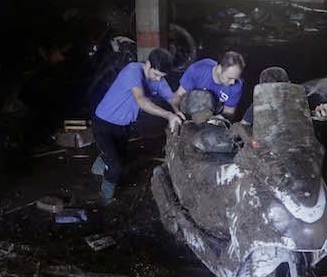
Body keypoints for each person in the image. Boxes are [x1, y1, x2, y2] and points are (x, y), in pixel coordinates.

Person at [92, 49, 184, 205]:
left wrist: (177, 111)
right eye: (155, 74)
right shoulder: (132, 71)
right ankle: (104, 200)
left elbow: (172, 98)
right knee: (116, 167)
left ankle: (96, 170)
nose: (157, 79)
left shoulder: (158, 79)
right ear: (148, 64)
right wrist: (168, 115)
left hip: (124, 126)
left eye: (161, 77)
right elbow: (141, 100)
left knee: (115, 157)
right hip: (104, 123)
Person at [241, 66, 327, 126]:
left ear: (289, 85)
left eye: (280, 91)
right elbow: (243, 126)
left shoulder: (305, 96)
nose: (275, 97)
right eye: (269, 93)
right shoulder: (258, 105)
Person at [170, 51, 246, 120]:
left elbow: (229, 112)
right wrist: (177, 111)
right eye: (230, 78)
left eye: (235, 79)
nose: (232, 82)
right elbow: (178, 95)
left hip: (214, 118)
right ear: (219, 69)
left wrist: (220, 118)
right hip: (189, 113)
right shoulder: (198, 70)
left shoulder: (237, 85)